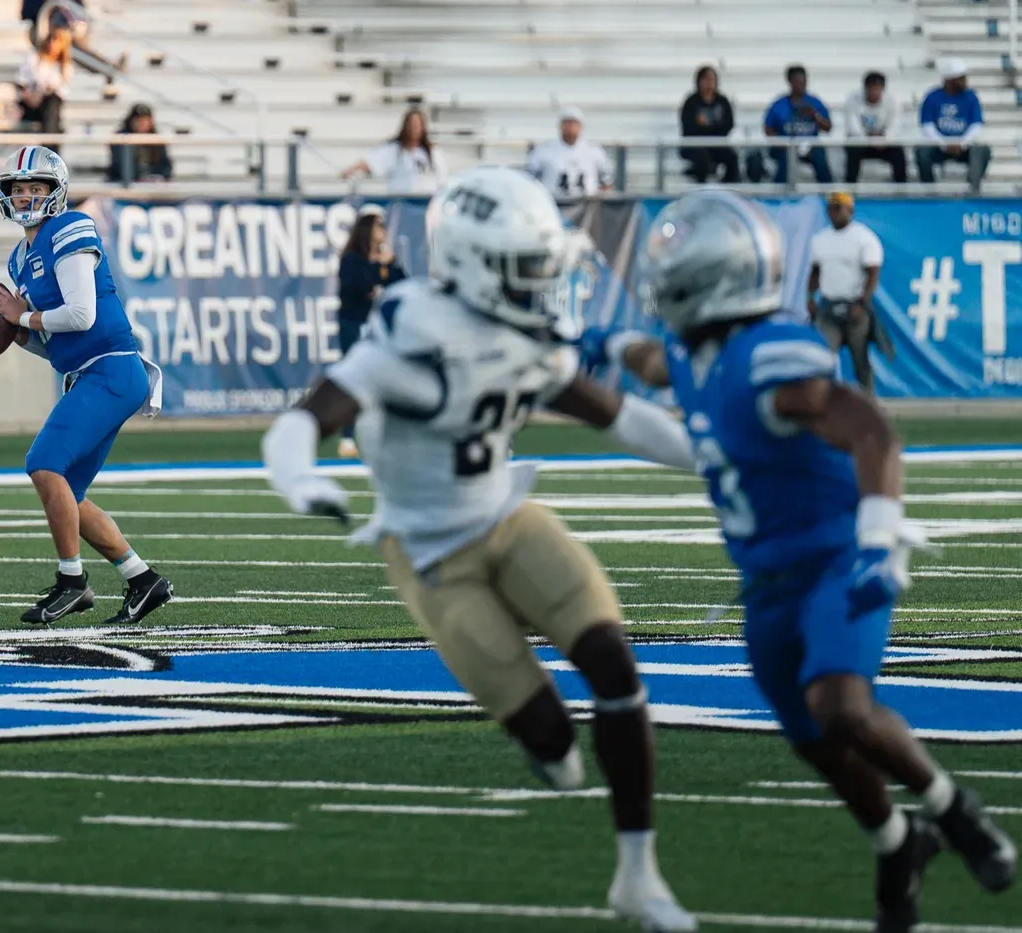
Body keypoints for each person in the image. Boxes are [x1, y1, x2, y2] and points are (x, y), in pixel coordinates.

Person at [262, 166, 700, 933]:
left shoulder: (522, 335)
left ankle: (639, 874)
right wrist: (300, 478)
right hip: (433, 556)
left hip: (507, 515)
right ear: (471, 264)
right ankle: (545, 741)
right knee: (554, 741)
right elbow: (307, 416)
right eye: (525, 266)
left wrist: (721, 460)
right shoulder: (413, 335)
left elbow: (618, 415)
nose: (541, 282)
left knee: (615, 665)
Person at [581, 189, 1017, 931]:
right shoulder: (696, 350)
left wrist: (880, 539)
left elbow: (872, 428)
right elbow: (656, 360)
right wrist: (603, 345)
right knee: (816, 743)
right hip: (765, 583)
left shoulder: (770, 354)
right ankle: (896, 840)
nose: (663, 292)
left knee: (838, 703)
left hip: (836, 558)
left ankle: (954, 809)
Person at [0, 145, 174, 627]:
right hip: (90, 371)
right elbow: (56, 341)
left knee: (43, 464)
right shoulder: (20, 258)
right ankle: (143, 579)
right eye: (18, 189)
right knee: (70, 492)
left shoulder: (69, 228)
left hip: (110, 367)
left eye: (36, 188)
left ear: (55, 192)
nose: (26, 197)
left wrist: (20, 314)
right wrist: (20, 333)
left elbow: (82, 314)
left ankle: (72, 583)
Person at [334, 204, 406, 458]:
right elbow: (359, 284)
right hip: (354, 324)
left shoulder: (382, 257)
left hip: (376, 328)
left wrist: (389, 264)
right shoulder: (352, 259)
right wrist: (380, 268)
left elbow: (402, 284)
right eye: (379, 225)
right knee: (355, 380)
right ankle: (347, 437)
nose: (384, 231)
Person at [808, 192, 889, 395]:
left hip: (855, 306)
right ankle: (823, 406)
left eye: (838, 207)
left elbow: (872, 274)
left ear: (850, 210)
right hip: (829, 305)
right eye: (831, 208)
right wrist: (809, 298)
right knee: (823, 357)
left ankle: (869, 404)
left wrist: (862, 303)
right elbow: (815, 273)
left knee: (860, 359)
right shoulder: (820, 239)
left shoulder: (863, 238)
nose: (833, 212)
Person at [917, 59, 991, 190]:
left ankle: (973, 188)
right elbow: (927, 125)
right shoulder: (932, 96)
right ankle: (929, 190)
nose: (965, 81)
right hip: (938, 144)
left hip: (963, 145)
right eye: (961, 78)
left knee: (982, 150)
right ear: (949, 80)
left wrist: (962, 143)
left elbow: (976, 125)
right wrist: (944, 144)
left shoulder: (971, 96)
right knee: (922, 152)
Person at [341, 108, 448, 195]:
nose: (414, 128)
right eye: (411, 124)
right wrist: (351, 169)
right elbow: (370, 162)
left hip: (426, 202)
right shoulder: (393, 150)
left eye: (418, 125)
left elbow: (442, 181)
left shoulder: (434, 152)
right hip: (400, 201)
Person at [763, 65, 833, 184]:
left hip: (810, 145)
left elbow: (828, 127)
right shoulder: (779, 104)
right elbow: (767, 128)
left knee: (820, 158)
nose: (802, 84)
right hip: (786, 145)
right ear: (790, 82)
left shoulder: (814, 102)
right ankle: (779, 195)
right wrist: (780, 141)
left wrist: (815, 116)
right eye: (798, 81)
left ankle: (827, 192)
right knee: (785, 161)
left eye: (804, 81)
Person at [526, 106, 615, 198]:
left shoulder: (595, 151)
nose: (570, 127)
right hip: (554, 203)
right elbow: (531, 180)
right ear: (560, 126)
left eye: (574, 123)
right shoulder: (543, 150)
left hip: (587, 206)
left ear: (581, 126)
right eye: (567, 123)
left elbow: (606, 181)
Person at [679, 66, 740, 184]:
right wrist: (709, 129)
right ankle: (701, 186)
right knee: (702, 158)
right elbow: (688, 126)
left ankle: (728, 187)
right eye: (705, 80)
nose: (709, 83)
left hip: (716, 142)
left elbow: (728, 124)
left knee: (732, 157)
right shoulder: (691, 102)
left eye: (712, 80)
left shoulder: (722, 101)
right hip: (694, 144)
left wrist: (707, 127)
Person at [844, 72, 907, 184]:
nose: (874, 93)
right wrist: (870, 139)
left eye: (877, 89)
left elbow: (895, 125)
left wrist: (885, 138)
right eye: (871, 89)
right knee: (853, 150)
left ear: (883, 89)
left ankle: (901, 188)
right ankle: (850, 189)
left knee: (898, 152)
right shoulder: (852, 100)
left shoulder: (893, 101)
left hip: (884, 143)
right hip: (862, 142)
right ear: (865, 89)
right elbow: (853, 127)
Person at [15, 27, 71, 150]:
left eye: (57, 41)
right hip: (31, 103)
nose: (52, 44)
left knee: (52, 105)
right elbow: (20, 83)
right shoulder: (33, 58)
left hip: (49, 106)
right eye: (51, 39)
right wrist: (32, 98)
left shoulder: (64, 67)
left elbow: (58, 91)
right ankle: (51, 152)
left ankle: (49, 149)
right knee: (53, 116)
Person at [106, 102, 172, 185]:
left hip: (154, 184)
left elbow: (165, 165)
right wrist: (139, 178)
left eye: (146, 120)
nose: (143, 123)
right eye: (139, 120)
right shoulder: (121, 138)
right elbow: (121, 165)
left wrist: (159, 177)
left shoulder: (156, 138)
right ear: (131, 121)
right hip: (123, 183)